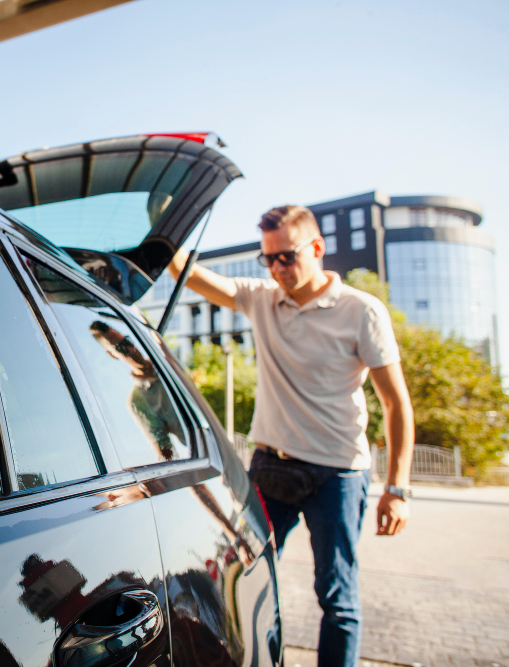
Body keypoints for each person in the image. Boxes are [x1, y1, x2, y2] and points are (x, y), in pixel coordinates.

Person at [167, 205, 414, 667]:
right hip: (271, 466)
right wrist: (163, 217)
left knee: (336, 595)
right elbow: (190, 274)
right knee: (239, 574)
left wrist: (397, 489)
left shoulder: (362, 311)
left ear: (316, 248)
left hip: (337, 472)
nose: (277, 268)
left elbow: (397, 403)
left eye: (286, 257)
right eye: (269, 259)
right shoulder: (263, 298)